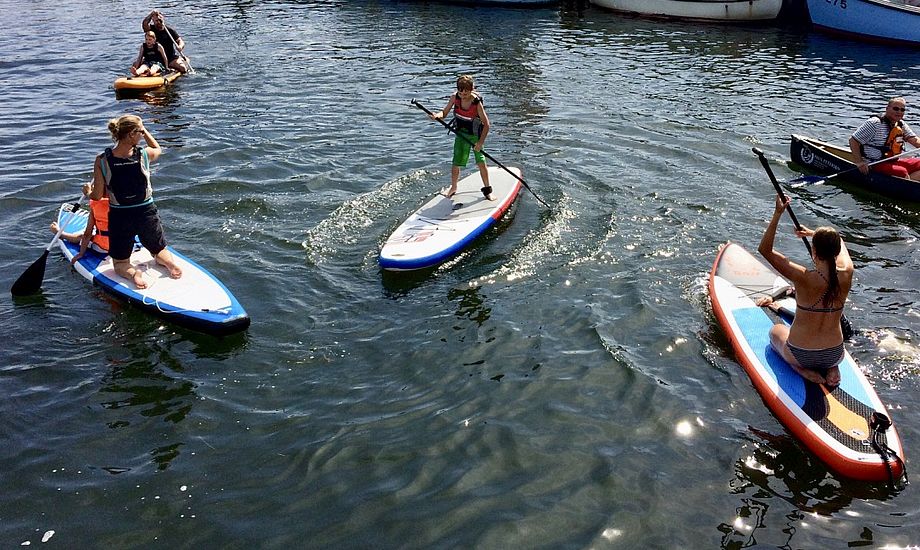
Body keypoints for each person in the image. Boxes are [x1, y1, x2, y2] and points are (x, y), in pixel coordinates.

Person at [757, 194, 854, 387]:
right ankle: (832, 367)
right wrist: (812, 234)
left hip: (800, 354)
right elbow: (839, 240)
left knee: (775, 331)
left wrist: (778, 213)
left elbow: (765, 250)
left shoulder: (802, 277)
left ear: (814, 252)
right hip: (835, 354)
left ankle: (799, 369)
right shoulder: (847, 272)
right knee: (828, 352)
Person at [89, 115, 182, 289]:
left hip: (120, 215)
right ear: (132, 134)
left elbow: (97, 195)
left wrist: (87, 192)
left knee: (120, 263)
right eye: (140, 131)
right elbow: (157, 148)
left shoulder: (101, 160)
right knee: (159, 250)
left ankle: (134, 274)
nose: (141, 134)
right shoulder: (144, 154)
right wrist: (146, 132)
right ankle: (169, 264)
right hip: (146, 212)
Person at [430, 74, 493, 200]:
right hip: (461, 134)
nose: (463, 94)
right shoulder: (455, 97)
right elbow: (444, 112)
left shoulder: (476, 102)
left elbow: (486, 125)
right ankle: (453, 187)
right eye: (461, 91)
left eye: (466, 91)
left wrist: (480, 143)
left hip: (475, 136)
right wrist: (437, 116)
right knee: (456, 162)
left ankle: (487, 191)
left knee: (481, 162)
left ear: (472, 89)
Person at [849, 97, 920, 181]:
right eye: (896, 108)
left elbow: (914, 140)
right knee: (902, 172)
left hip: (892, 161)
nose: (899, 112)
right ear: (887, 109)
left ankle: (910, 184)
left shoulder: (901, 124)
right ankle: (907, 186)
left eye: (902, 110)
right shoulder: (874, 123)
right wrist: (859, 162)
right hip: (874, 163)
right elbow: (853, 140)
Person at [50, 183, 109, 264]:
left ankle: (60, 233)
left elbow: (87, 234)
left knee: (81, 236)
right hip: (126, 246)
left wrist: (81, 254)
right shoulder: (127, 203)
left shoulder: (96, 204)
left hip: (104, 248)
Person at [142, 10, 189, 74]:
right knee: (136, 64)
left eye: (159, 20)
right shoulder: (151, 30)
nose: (158, 22)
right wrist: (151, 14)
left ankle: (171, 67)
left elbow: (180, 41)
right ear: (153, 21)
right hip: (154, 58)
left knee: (182, 68)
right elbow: (145, 23)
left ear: (162, 18)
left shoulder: (170, 31)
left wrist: (180, 46)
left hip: (170, 58)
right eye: (156, 21)